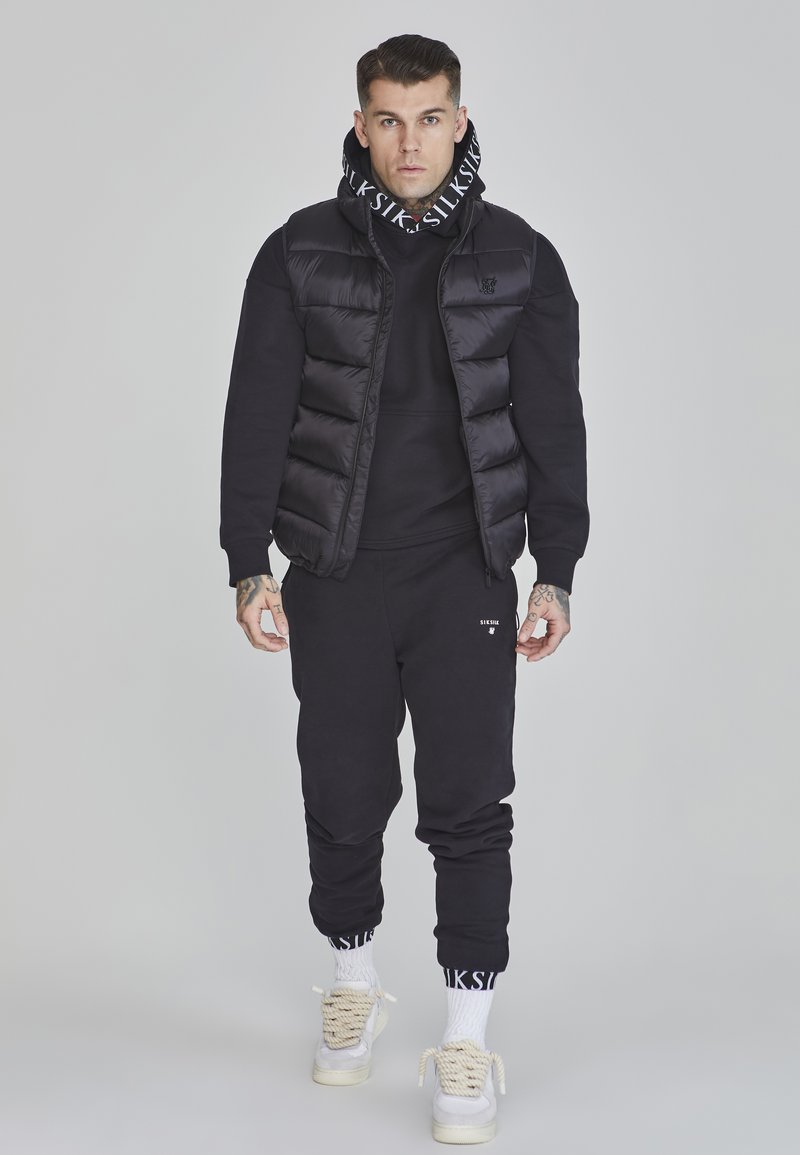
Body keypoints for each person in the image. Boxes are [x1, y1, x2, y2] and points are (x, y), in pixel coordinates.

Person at [219, 33, 589, 1145]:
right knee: (340, 793)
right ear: (359, 125)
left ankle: (466, 1040)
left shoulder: (520, 258)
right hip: (334, 572)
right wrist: (246, 559)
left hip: (464, 572)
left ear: (459, 122)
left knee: (469, 802)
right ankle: (353, 981)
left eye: (429, 118)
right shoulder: (298, 252)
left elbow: (553, 424)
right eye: (388, 119)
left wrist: (556, 570)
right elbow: (255, 411)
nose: (409, 141)